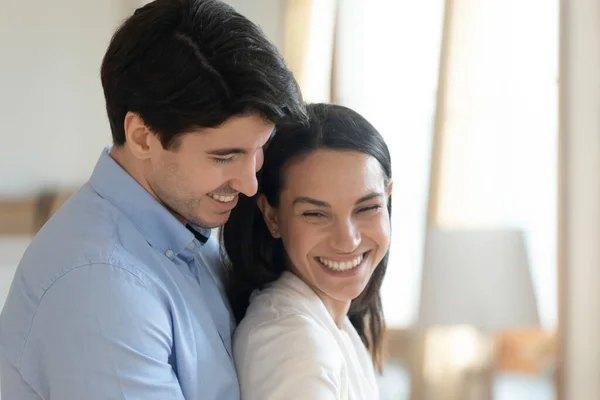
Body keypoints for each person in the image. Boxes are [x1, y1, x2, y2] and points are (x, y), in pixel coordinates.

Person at [0, 0, 305, 399]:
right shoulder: (100, 288)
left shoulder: (186, 232)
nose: (249, 184)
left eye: (259, 149)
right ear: (143, 137)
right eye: (224, 157)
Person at [222, 103, 392, 399]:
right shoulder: (293, 344)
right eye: (315, 214)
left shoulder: (334, 327)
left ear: (387, 198)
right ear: (272, 216)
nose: (348, 240)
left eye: (367, 208)